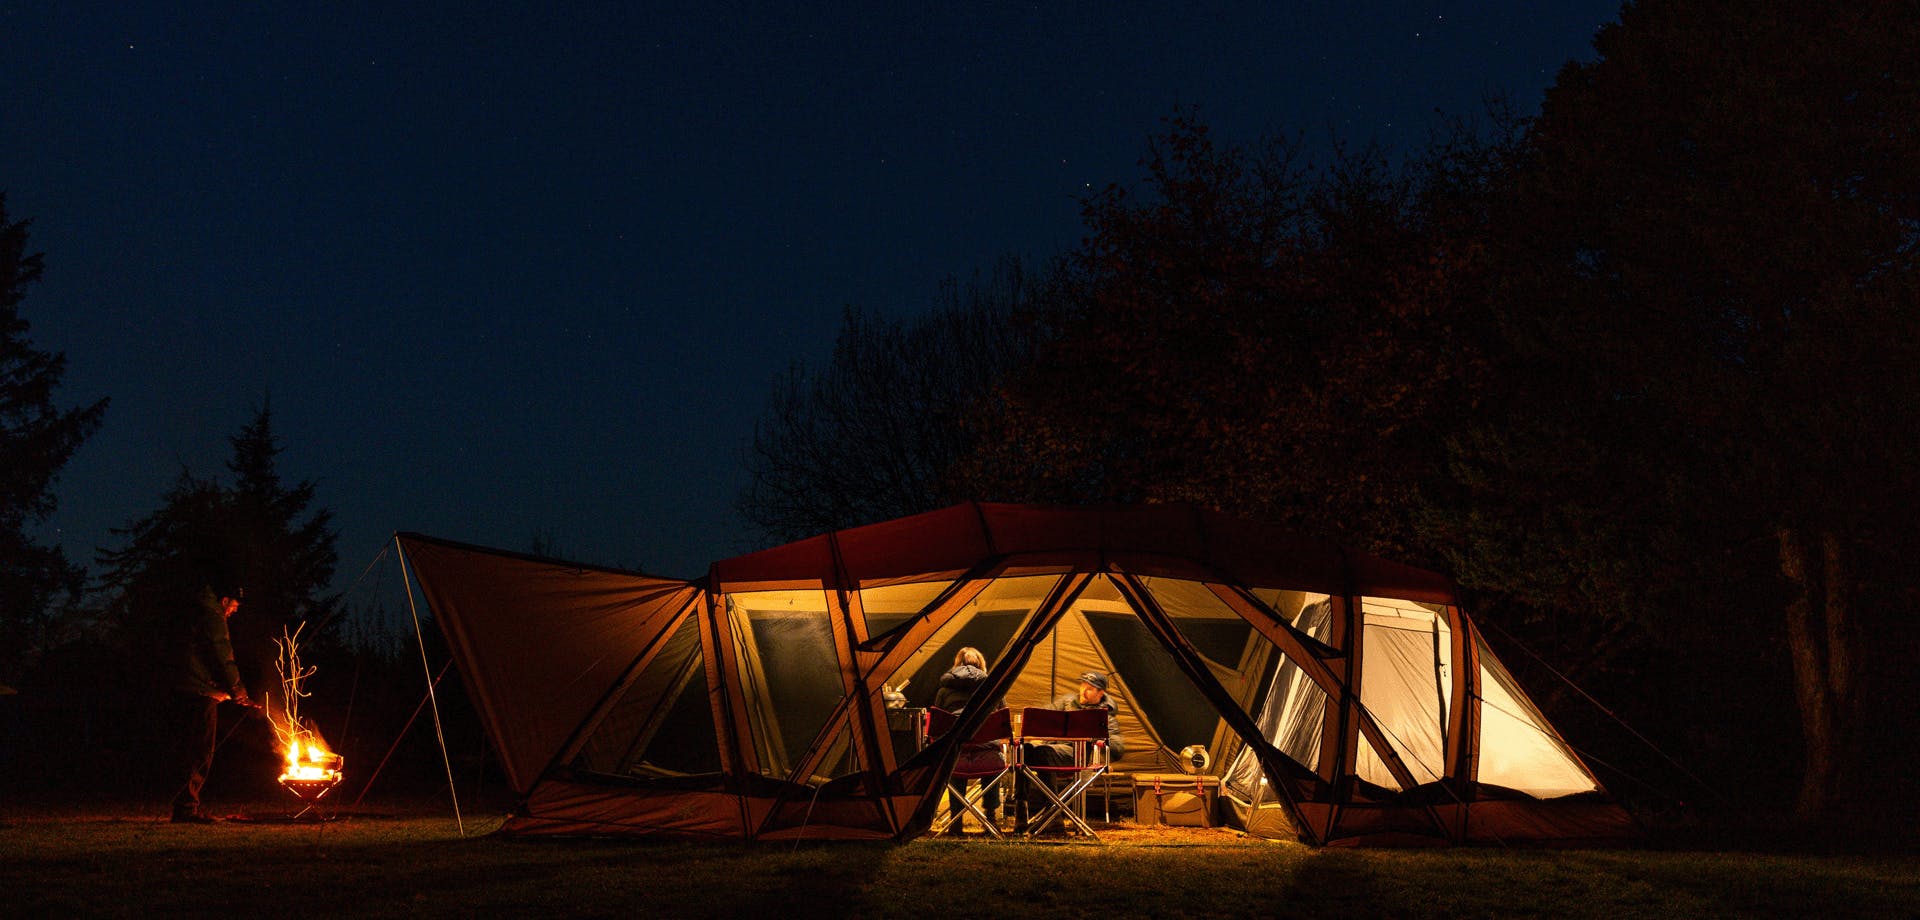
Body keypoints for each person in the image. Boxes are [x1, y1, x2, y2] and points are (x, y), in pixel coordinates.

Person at [168, 576, 256, 824]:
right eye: (234, 604)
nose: (235, 610)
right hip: (197, 692)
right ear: (224, 600)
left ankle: (185, 806)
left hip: (188, 687)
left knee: (190, 748)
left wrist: (217, 685)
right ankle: (186, 808)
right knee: (200, 750)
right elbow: (221, 655)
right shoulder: (212, 615)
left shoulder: (194, 611)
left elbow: (200, 657)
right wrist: (238, 691)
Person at [1017, 670, 1126, 831]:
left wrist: (1097, 737)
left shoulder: (1105, 716)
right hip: (1052, 748)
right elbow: (1043, 716)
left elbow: (1117, 749)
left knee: (1044, 753)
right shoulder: (1068, 701)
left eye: (1089, 688)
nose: (1083, 690)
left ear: (1100, 693)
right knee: (1023, 750)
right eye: (1082, 685)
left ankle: (1053, 815)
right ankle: (1021, 811)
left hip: (1077, 754)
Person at [931, 647, 1004, 832]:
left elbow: (936, 726)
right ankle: (990, 819)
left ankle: (955, 821)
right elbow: (1002, 720)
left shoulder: (944, 691)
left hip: (956, 758)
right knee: (993, 756)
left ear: (957, 666)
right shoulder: (993, 689)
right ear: (981, 665)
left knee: (953, 754)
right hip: (989, 760)